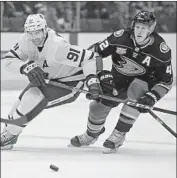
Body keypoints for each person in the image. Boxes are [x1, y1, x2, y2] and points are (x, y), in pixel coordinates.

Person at [70, 11, 173, 153]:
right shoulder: (120, 37)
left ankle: (119, 134)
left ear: (151, 29)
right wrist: (99, 75)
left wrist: (152, 97)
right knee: (97, 107)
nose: (139, 31)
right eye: (137, 27)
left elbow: (167, 81)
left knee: (136, 89)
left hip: (142, 84)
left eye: (144, 28)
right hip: (118, 80)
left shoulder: (160, 50)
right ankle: (91, 135)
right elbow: (94, 52)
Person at [1, 13, 104, 150]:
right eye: (30, 33)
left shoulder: (57, 46)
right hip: (49, 78)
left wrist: (92, 80)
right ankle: (8, 134)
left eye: (37, 32)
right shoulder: (24, 40)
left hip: (70, 82)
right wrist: (25, 66)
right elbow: (9, 60)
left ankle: (10, 135)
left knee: (30, 101)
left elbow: (90, 57)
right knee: (19, 103)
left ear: (45, 29)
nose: (34, 37)